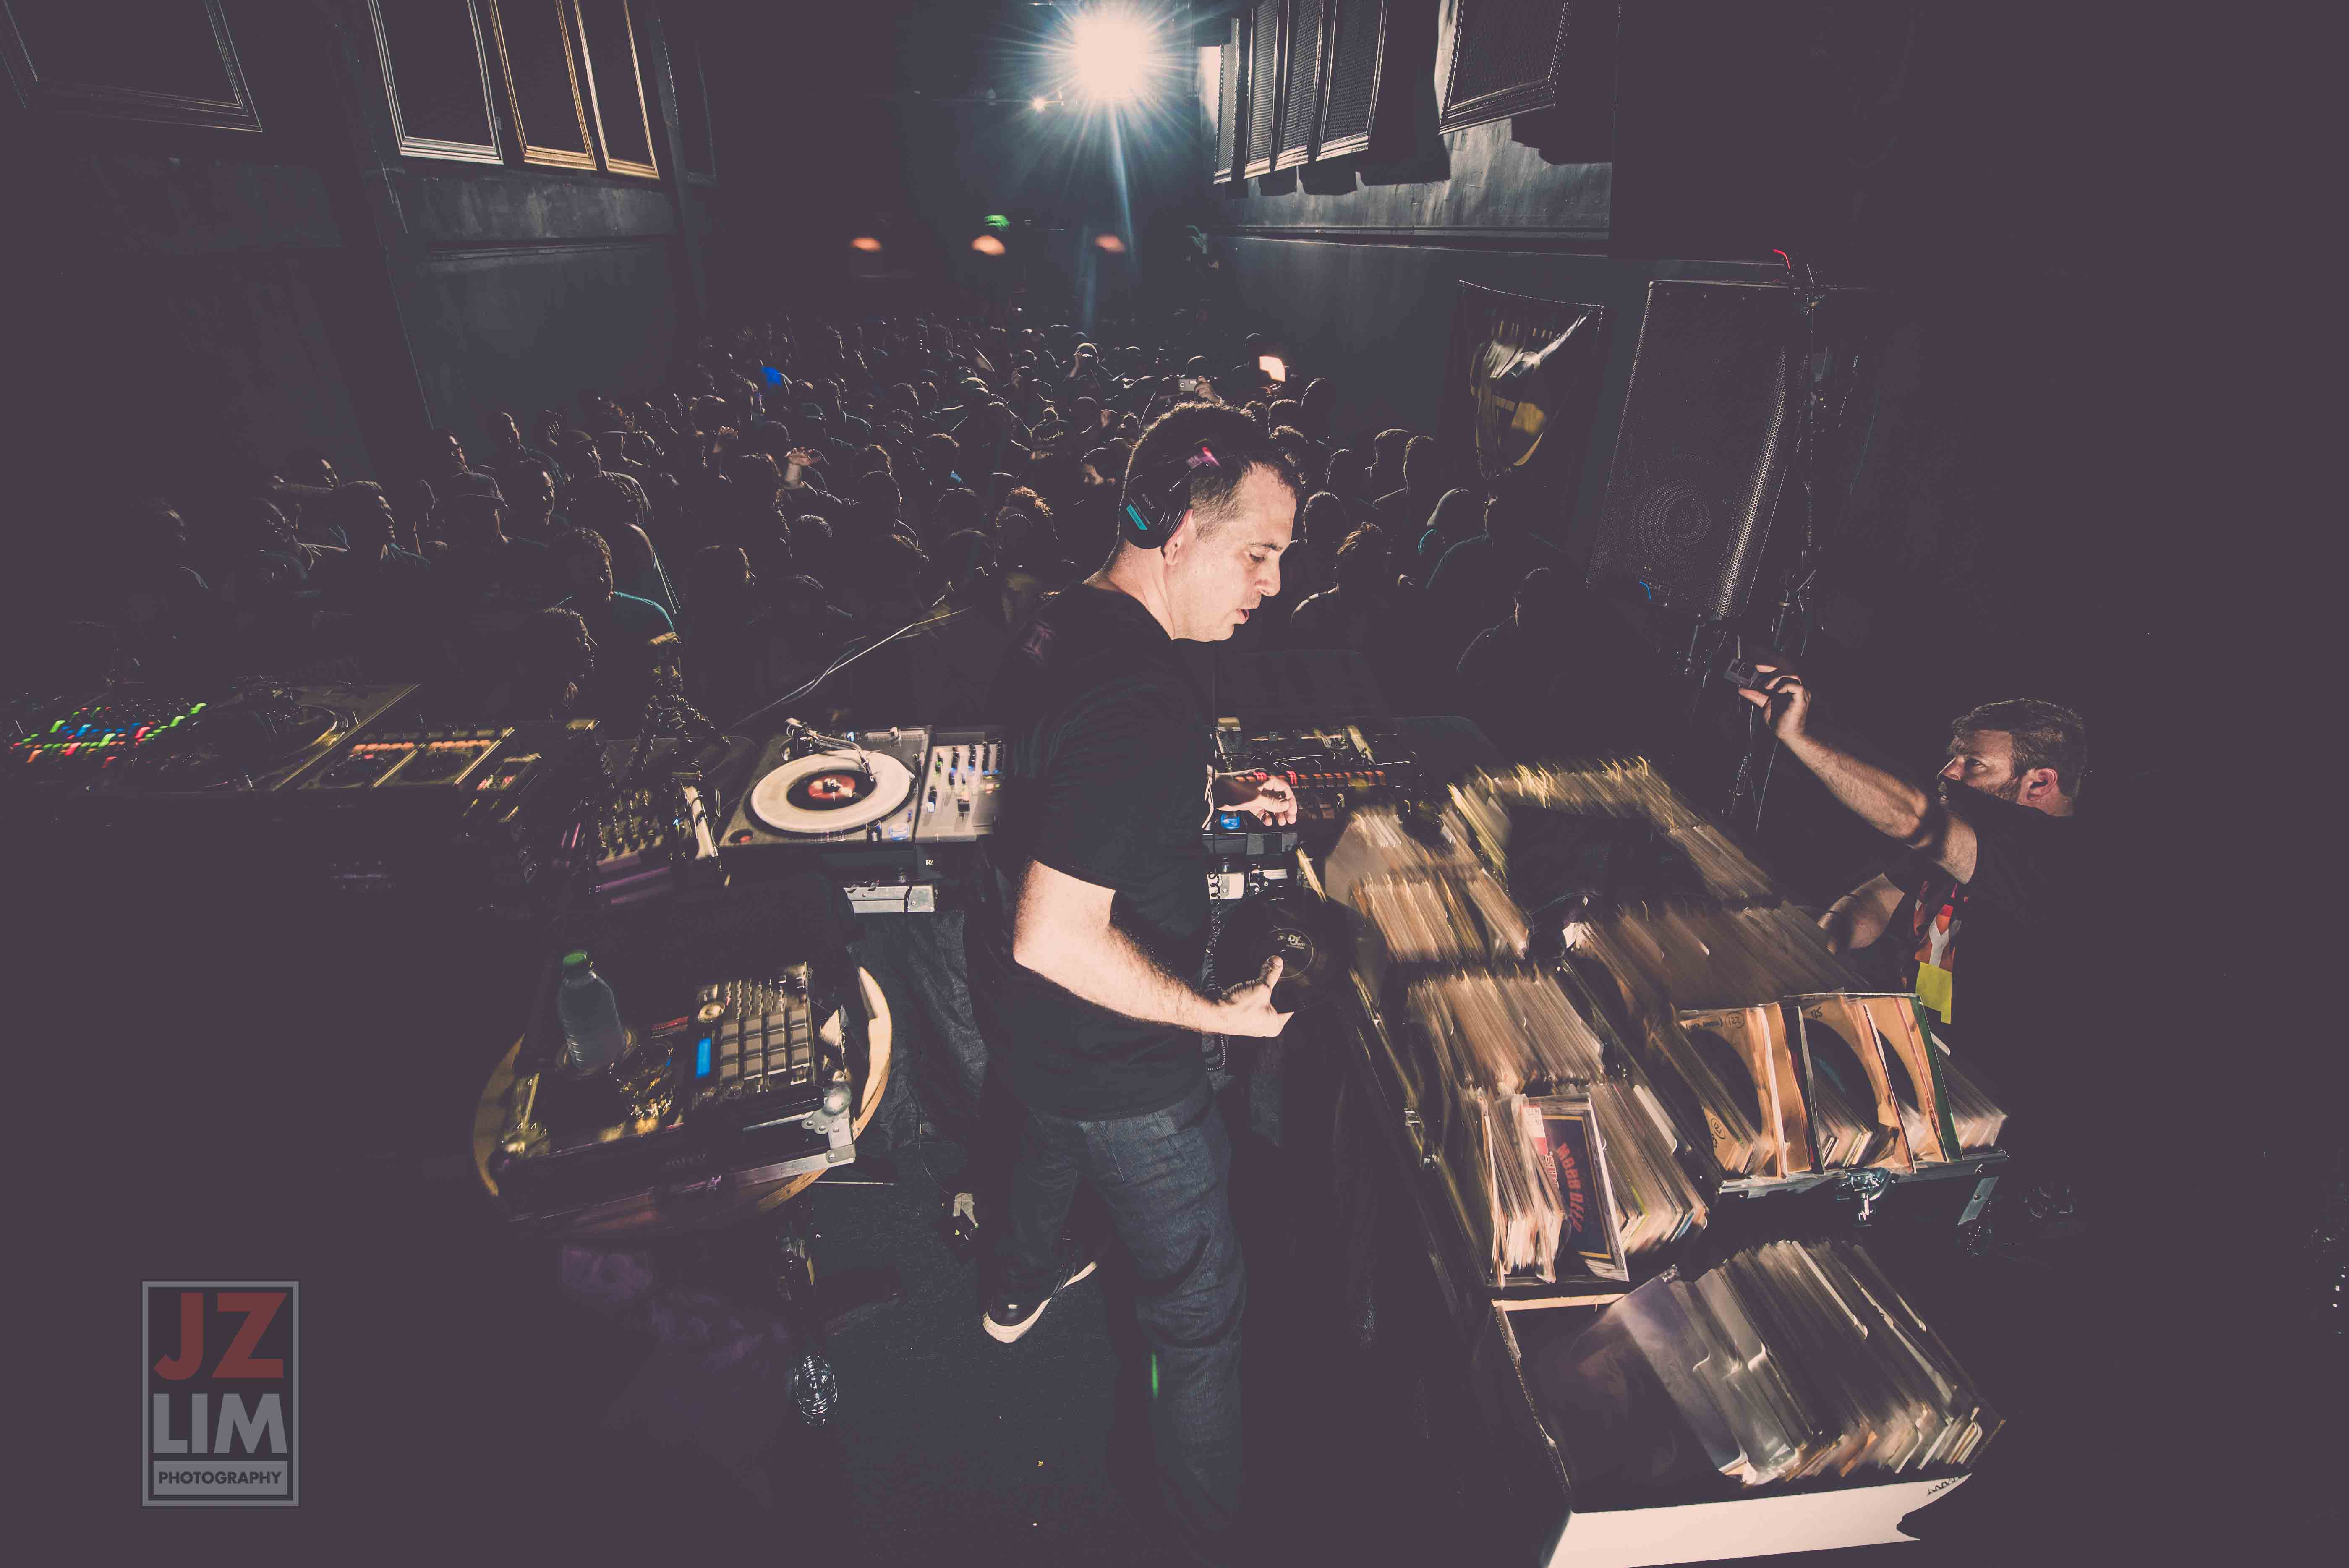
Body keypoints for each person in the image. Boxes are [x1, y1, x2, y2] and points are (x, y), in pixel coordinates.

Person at [965, 402, 1299, 1565]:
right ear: (1178, 531)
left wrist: (1204, 799)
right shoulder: (1143, 698)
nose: (1271, 586)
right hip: (1123, 1066)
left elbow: (1072, 794)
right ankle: (1207, 1541)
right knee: (1199, 1317)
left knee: (1042, 1142)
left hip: (1035, 1037)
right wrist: (1216, 1012)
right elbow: (1056, 935)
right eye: (1257, 553)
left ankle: (1011, 1292)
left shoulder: (1062, 618)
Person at [1745, 678, 2093, 1143]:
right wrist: (1816, 950)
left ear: (2040, 782)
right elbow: (1875, 900)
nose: (1948, 772)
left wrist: (1799, 738)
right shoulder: (1974, 832)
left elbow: (1915, 819)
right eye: (1954, 757)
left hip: (1982, 1105)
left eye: (1973, 764)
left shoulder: (2052, 858)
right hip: (1909, 1045)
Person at [550, 525, 672, 727]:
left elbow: (674, 687)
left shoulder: (651, 615)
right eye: (586, 571)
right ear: (567, 575)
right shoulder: (556, 625)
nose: (600, 579)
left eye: (604, 569)